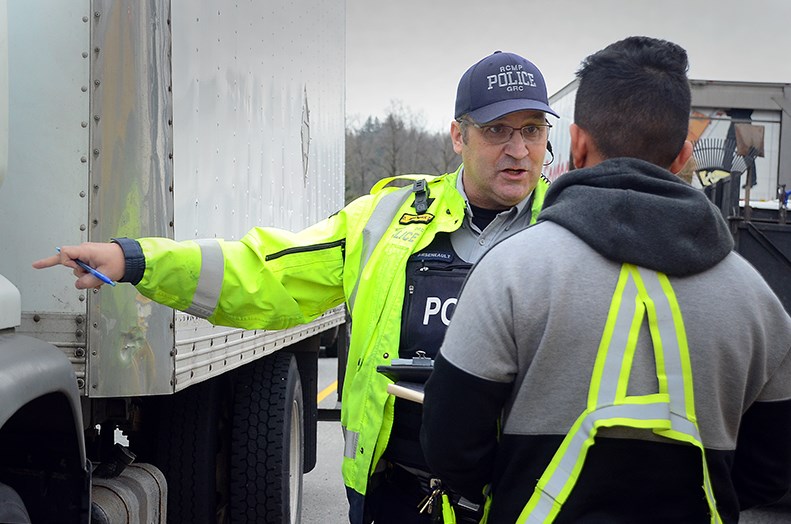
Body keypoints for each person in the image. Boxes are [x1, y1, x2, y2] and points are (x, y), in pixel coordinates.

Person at [33, 50, 559, 523]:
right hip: (396, 497)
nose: (518, 149)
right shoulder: (388, 220)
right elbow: (261, 272)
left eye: (532, 129)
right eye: (497, 130)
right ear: (458, 136)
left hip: (524, 500)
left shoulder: (566, 231)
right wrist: (135, 259)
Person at [420, 36, 791, 524]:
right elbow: (771, 468)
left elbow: (450, 448)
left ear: (575, 144)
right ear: (682, 157)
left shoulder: (510, 273)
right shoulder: (757, 302)